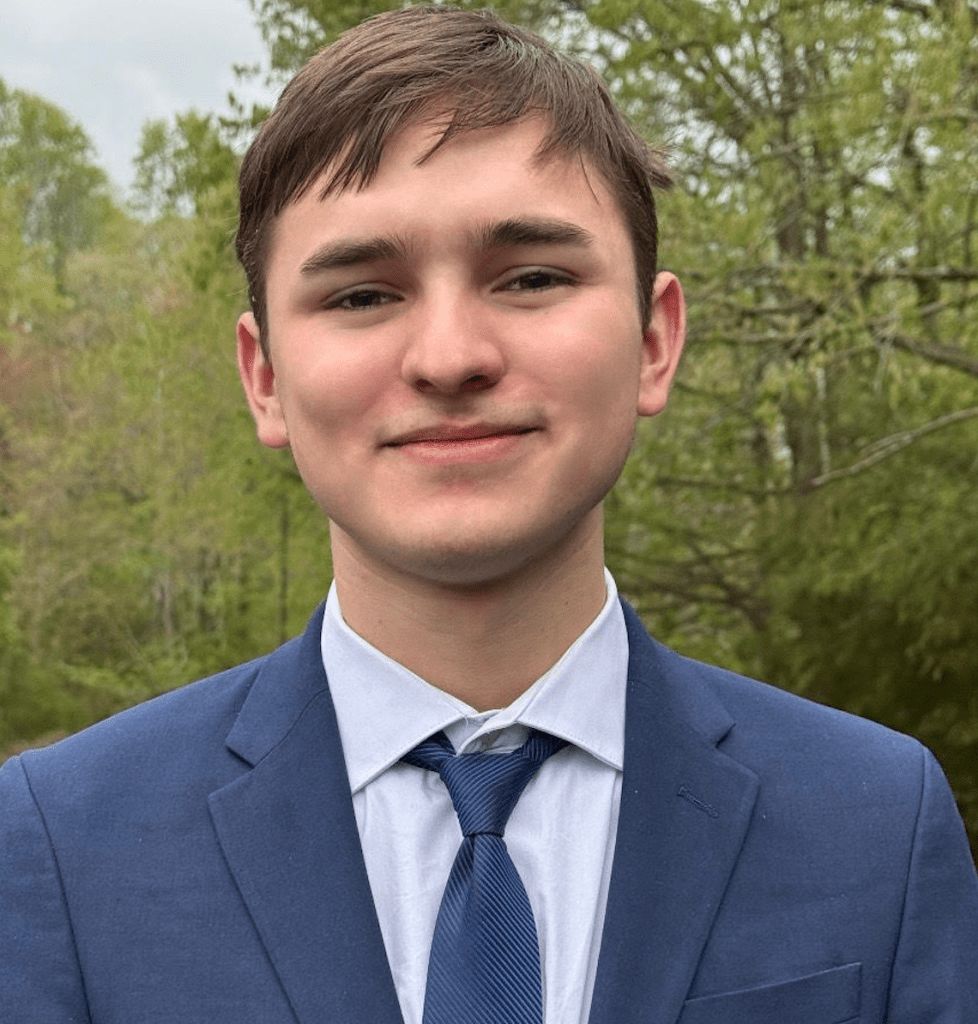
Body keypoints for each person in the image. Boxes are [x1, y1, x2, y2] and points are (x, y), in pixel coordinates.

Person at [2, 6, 976, 1022]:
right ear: (266, 378)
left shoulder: (877, 822)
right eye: (361, 296)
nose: (450, 357)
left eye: (533, 278)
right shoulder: (62, 847)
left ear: (653, 340)